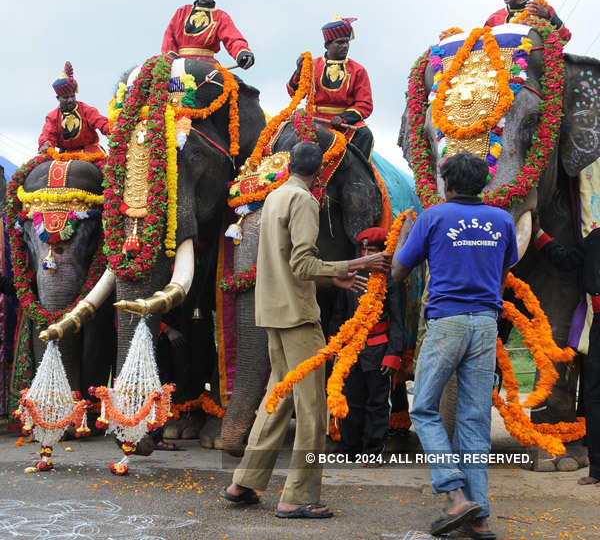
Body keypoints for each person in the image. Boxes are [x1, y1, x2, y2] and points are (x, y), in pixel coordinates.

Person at [221, 142, 391, 519]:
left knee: (278, 398)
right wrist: (356, 263)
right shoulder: (304, 201)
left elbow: (285, 264)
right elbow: (302, 263)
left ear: (289, 166)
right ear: (321, 173)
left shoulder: (274, 198)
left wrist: (337, 279)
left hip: (273, 312)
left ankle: (243, 482)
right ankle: (296, 496)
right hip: (297, 316)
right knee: (312, 409)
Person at [392, 151, 519, 539]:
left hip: (446, 322)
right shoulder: (502, 220)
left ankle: (455, 494)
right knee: (475, 419)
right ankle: (479, 520)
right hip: (485, 324)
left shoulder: (433, 217)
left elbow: (399, 271)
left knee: (425, 408)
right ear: (484, 184)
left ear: (446, 183)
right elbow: (503, 271)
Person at [531, 216, 600, 487]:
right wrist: (538, 235)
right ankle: (597, 469)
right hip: (598, 325)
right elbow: (568, 260)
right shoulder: (595, 238)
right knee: (594, 396)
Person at [330, 226, 405, 463]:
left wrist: (394, 354)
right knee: (351, 399)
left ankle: (374, 451)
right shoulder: (350, 277)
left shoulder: (392, 280)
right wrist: (336, 346)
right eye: (362, 249)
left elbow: (397, 320)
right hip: (351, 350)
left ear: (382, 253)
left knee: (377, 403)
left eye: (371, 250)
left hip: (379, 349)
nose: (365, 255)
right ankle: (348, 448)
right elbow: (338, 315)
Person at [287, 16, 374, 159]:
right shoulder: (312, 65)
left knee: (365, 134)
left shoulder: (359, 70)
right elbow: (293, 93)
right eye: (339, 42)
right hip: (314, 118)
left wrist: (343, 118)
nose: (345, 46)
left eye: (346, 42)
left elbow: (365, 104)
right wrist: (298, 72)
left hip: (343, 123)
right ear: (327, 45)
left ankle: (358, 179)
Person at [161, 0, 254, 69]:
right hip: (179, 66)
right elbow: (169, 38)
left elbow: (233, 39)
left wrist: (242, 52)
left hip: (208, 68)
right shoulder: (182, 12)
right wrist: (172, 61)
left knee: (240, 86)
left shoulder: (221, 16)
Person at [38, 62, 109, 160]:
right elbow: (47, 135)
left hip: (91, 151)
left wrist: (113, 130)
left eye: (72, 96)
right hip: (64, 155)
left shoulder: (87, 110)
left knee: (107, 171)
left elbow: (102, 123)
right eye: (66, 97)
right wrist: (45, 144)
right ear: (58, 98)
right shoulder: (52, 117)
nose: (70, 100)